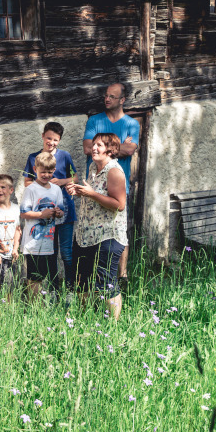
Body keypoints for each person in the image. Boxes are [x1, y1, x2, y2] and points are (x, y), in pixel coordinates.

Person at [82, 83, 139, 287]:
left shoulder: (132, 124)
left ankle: (121, 276)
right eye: (106, 96)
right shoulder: (95, 120)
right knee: (96, 230)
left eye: (112, 97)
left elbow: (131, 150)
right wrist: (119, 146)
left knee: (118, 230)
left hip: (117, 185)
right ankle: (98, 280)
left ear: (122, 100)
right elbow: (87, 148)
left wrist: (120, 149)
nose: (107, 99)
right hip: (95, 183)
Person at [67, 133, 127, 321]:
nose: (94, 148)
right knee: (81, 280)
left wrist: (91, 194)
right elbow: (93, 194)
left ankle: (113, 326)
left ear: (111, 149)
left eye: (99, 145)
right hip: (85, 235)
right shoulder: (93, 167)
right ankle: (83, 319)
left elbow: (119, 204)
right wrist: (79, 191)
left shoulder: (114, 172)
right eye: (93, 144)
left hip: (107, 235)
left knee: (106, 283)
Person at [23, 122, 76, 297]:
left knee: (67, 253)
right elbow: (27, 182)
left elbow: (74, 176)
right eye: (48, 138)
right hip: (45, 214)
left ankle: (69, 289)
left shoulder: (65, 156)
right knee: (50, 253)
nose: (51, 142)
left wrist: (60, 182)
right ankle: (53, 289)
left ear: (59, 140)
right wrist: (43, 184)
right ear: (42, 136)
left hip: (64, 209)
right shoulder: (33, 158)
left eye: (55, 140)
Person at [20, 152, 65, 300]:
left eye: (49, 172)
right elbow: (23, 213)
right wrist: (41, 215)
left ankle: (47, 302)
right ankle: (35, 306)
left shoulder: (56, 189)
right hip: (33, 243)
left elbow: (61, 210)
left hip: (49, 242)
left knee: (49, 274)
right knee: (34, 277)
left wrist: (58, 213)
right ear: (35, 169)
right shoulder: (31, 189)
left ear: (54, 170)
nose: (46, 175)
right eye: (42, 172)